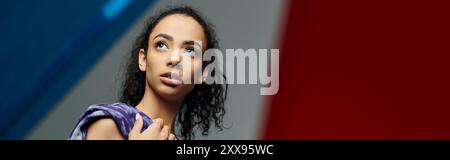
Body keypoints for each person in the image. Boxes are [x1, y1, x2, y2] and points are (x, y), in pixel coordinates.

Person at [68, 6, 227, 140]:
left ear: (203, 74)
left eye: (190, 50)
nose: (174, 59)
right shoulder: (109, 124)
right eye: (162, 45)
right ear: (143, 60)